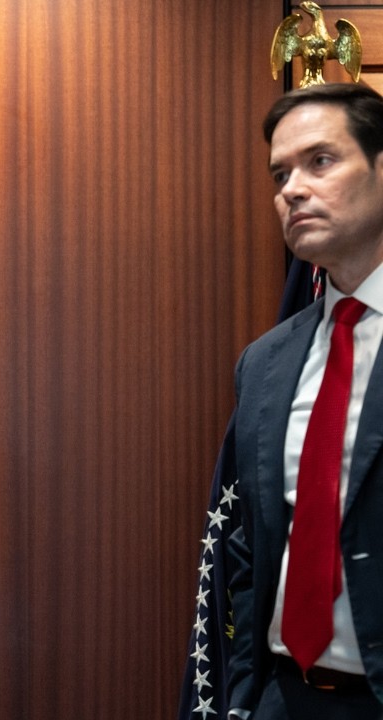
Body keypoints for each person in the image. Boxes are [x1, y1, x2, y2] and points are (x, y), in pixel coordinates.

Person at [227, 82, 383, 719]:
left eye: (320, 161)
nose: (292, 189)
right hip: (284, 696)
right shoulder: (265, 362)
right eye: (280, 174)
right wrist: (246, 695)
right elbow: (250, 548)